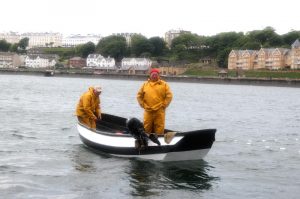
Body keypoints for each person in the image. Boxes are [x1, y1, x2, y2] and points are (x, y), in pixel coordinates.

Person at [137, 68, 173, 142]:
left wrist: (164, 105)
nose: (154, 76)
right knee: (146, 126)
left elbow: (169, 96)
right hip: (148, 110)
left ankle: (159, 140)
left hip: (159, 110)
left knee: (160, 127)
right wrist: (143, 105)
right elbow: (139, 96)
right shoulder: (145, 84)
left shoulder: (164, 84)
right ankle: (145, 140)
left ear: (158, 76)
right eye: (153, 75)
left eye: (156, 75)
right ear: (150, 75)